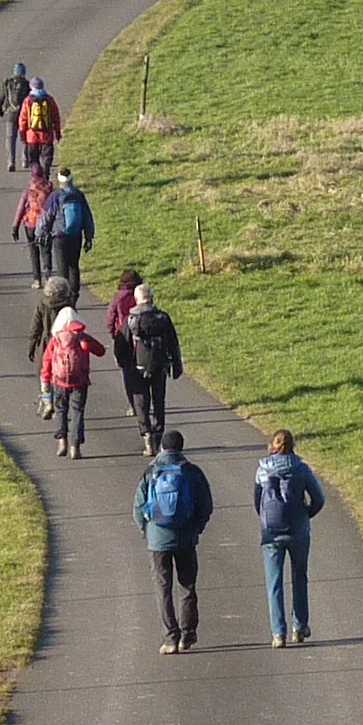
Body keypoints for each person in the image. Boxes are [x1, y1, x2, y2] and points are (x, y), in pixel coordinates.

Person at [134, 431, 214, 655]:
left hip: (158, 540)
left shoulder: (150, 471)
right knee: (187, 586)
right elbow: (206, 505)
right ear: (181, 447)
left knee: (163, 588)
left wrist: (147, 531)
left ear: (161, 448)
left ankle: (170, 637)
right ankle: (187, 635)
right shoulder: (191, 471)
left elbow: (139, 507)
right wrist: (196, 528)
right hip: (186, 537)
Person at [254, 429, 325, 648]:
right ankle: (300, 626)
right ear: (293, 445)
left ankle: (278, 633)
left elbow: (258, 502)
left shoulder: (263, 470)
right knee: (299, 577)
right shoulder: (301, 469)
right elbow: (319, 499)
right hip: (299, 531)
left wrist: (268, 520)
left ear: (272, 446)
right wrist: (305, 515)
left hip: (271, 533)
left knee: (274, 583)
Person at [123, 284, 184, 456]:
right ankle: (158, 437)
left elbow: (122, 345)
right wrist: (176, 363)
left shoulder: (131, 319)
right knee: (159, 401)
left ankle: (147, 436)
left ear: (137, 299)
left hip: (137, 367)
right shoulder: (163, 317)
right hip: (160, 365)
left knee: (141, 402)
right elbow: (173, 342)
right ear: (151, 298)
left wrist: (125, 364)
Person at [41, 309, 104, 458]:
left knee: (61, 411)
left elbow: (47, 361)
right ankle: (75, 446)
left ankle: (62, 441)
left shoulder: (56, 339)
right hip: (80, 380)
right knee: (78, 412)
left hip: (59, 380)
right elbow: (101, 351)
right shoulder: (82, 337)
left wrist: (45, 380)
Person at [37, 167, 93, 293]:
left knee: (62, 269)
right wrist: (89, 236)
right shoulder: (79, 195)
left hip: (60, 236)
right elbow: (87, 216)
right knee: (74, 266)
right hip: (76, 235)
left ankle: (64, 295)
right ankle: (74, 294)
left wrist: (40, 234)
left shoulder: (55, 196)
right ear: (71, 178)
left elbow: (46, 217)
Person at [27, 280, 76, 418]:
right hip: (64, 344)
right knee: (62, 375)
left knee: (45, 373)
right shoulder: (69, 305)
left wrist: (31, 346)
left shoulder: (43, 305)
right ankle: (61, 406)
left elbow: (35, 328)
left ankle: (48, 402)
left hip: (47, 343)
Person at [105, 269, 144, 418]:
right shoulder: (138, 294)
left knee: (126, 372)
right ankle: (143, 402)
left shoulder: (118, 297)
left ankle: (132, 404)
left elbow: (110, 316)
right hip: (139, 335)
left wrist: (113, 333)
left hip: (123, 336)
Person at [11, 161, 54, 288]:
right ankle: (48, 277)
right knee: (46, 251)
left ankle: (37, 280)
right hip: (45, 224)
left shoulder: (29, 190)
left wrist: (15, 226)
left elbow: (20, 208)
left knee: (33, 252)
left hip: (30, 223)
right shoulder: (49, 188)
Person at [17, 76, 62, 173]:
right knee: (47, 158)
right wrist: (57, 133)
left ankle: (37, 177)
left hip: (31, 135)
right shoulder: (49, 99)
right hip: (47, 134)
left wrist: (23, 135)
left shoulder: (28, 100)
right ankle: (46, 176)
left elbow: (23, 119)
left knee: (33, 160)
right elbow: (56, 117)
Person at [0, 62, 32, 171]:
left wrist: (0, 111)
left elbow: (1, 99)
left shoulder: (7, 83)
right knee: (24, 137)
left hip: (10, 114)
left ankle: (11, 161)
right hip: (23, 114)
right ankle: (25, 159)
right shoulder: (26, 84)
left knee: (10, 139)